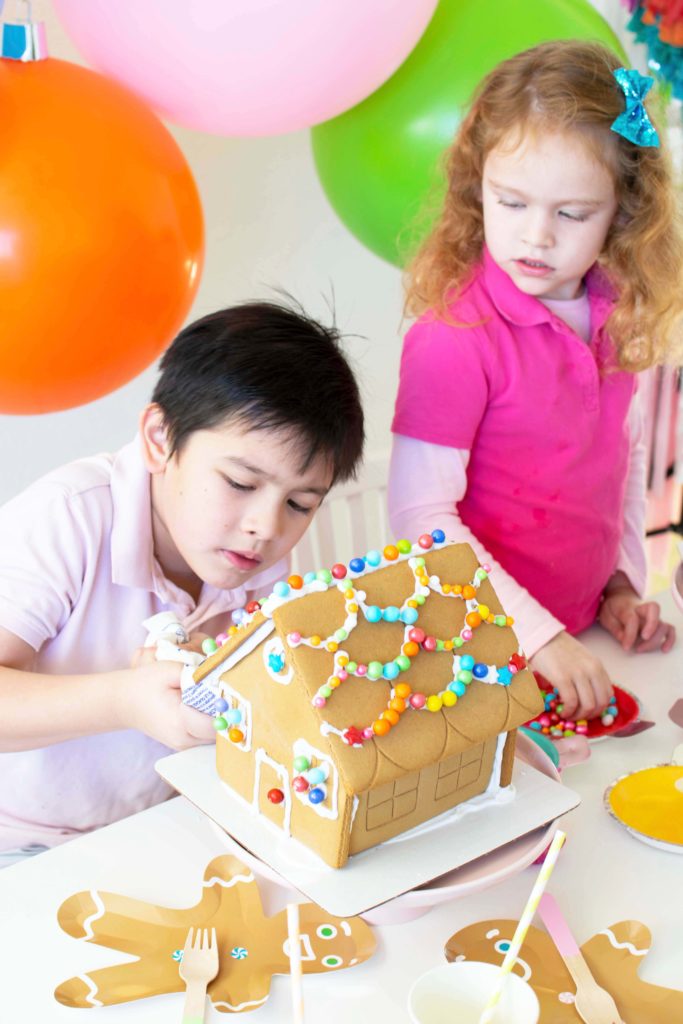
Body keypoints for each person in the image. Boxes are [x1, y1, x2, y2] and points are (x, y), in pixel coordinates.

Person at [0, 300, 364, 863]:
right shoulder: (67, 517)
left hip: (156, 826)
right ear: (159, 439)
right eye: (241, 482)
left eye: (299, 503)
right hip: (20, 842)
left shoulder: (259, 561)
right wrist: (124, 698)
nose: (265, 527)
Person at [390, 40, 682, 722]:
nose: (536, 237)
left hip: (581, 638)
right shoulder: (452, 337)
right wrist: (539, 637)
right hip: (479, 656)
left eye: (572, 214)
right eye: (510, 202)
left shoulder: (619, 310)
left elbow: (621, 459)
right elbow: (418, 520)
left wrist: (620, 584)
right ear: (476, 188)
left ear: (622, 214)